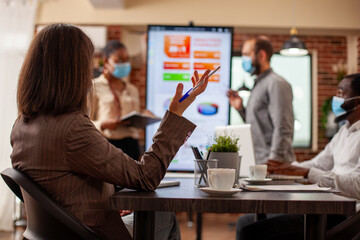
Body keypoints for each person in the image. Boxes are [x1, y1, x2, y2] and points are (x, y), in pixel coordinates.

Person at [10, 24, 211, 240]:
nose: (90, 73)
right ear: (73, 72)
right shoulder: (72, 129)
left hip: (61, 231)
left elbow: (62, 186)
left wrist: (108, 203)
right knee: (164, 214)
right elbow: (146, 177)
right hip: (90, 234)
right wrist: (175, 113)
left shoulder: (21, 126)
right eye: (87, 65)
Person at [236, 73, 360, 240]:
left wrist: (306, 173)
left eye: (341, 93)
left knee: (250, 232)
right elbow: (320, 162)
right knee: (244, 222)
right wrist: (287, 168)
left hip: (345, 217)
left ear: (358, 101)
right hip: (325, 206)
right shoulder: (344, 131)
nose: (336, 99)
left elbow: (358, 185)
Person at [227, 37, 295, 164]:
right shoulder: (258, 84)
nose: (243, 59)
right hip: (259, 163)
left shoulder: (276, 83)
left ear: (262, 55)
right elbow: (258, 125)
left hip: (274, 166)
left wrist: (274, 161)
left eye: (246, 54)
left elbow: (284, 127)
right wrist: (241, 109)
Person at [90, 40, 142, 160]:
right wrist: (103, 124)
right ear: (107, 61)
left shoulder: (132, 89)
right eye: (119, 60)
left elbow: (135, 117)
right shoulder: (95, 87)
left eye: (126, 59)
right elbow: (84, 122)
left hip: (132, 146)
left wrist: (143, 118)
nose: (124, 64)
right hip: (107, 145)